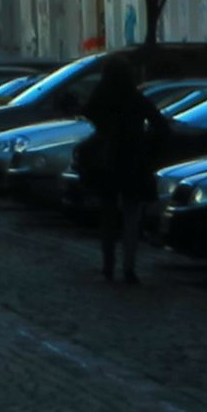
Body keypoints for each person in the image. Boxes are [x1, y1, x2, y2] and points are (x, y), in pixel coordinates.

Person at [79, 59, 161, 284]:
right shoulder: (135, 98)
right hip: (133, 162)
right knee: (131, 216)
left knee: (108, 215)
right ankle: (129, 267)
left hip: (107, 163)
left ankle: (108, 265)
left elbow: (87, 111)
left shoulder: (102, 96)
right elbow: (159, 123)